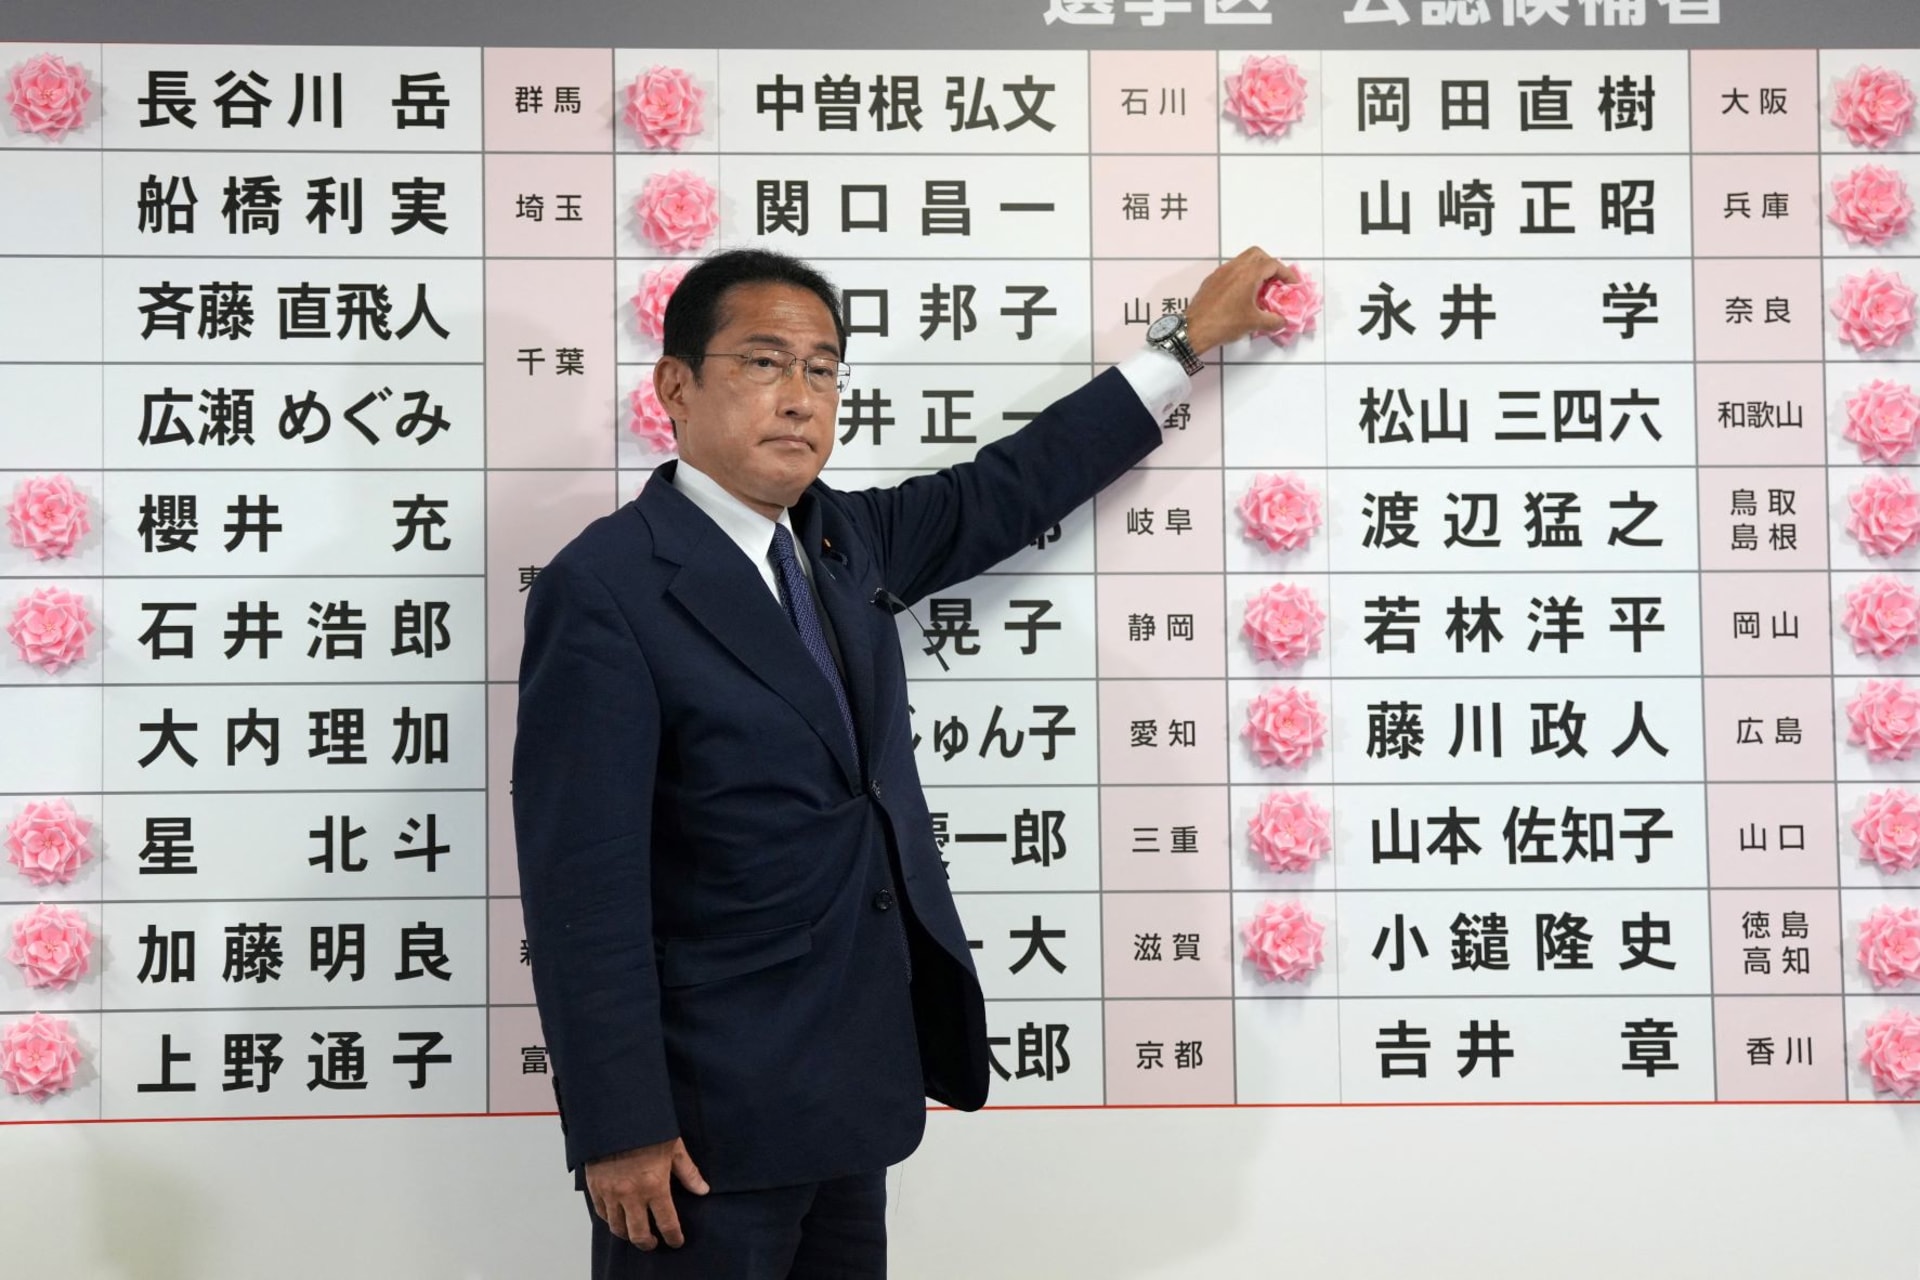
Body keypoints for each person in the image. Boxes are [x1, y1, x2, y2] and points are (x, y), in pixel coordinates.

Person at [513, 244, 1292, 1278]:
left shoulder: (842, 544)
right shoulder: (607, 587)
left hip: (850, 1098)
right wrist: (619, 1124)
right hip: (702, 1132)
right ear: (676, 387)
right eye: (763, 362)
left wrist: (1185, 343)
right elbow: (582, 884)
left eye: (823, 369)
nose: (799, 397)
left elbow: (1012, 485)